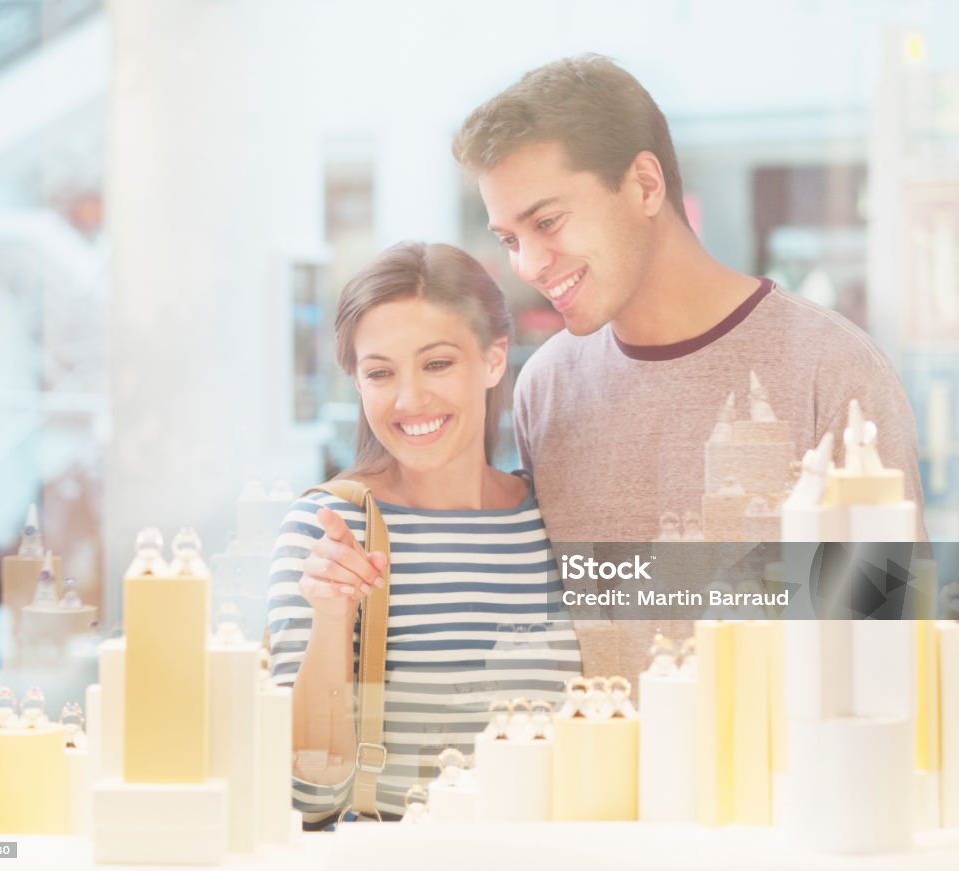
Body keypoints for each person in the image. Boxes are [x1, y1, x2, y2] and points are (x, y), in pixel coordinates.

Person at [452, 54, 925, 677]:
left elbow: (885, 649)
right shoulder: (545, 388)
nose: (529, 265)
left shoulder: (832, 371)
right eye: (511, 239)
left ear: (645, 185)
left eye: (547, 221)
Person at [266, 242, 581, 826]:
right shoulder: (329, 531)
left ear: (492, 360)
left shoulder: (554, 522)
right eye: (380, 372)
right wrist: (332, 619)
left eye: (437, 363)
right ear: (357, 383)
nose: (410, 400)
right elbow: (306, 798)